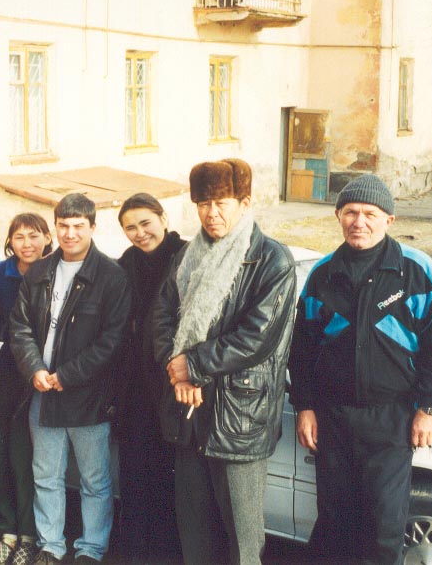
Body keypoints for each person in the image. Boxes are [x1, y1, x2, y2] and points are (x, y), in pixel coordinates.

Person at [288, 175, 432, 565]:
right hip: (333, 421)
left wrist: (428, 407)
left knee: (383, 529)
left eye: (370, 213)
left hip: (391, 420)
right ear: (337, 216)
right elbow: (301, 352)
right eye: (350, 212)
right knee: (334, 525)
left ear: (389, 220)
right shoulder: (322, 275)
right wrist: (305, 407)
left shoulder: (416, 271)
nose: (359, 221)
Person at [151, 159, 296, 565]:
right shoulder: (186, 255)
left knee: (243, 536)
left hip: (239, 417)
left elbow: (257, 337)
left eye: (221, 202)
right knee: (193, 527)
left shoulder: (272, 260)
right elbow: (160, 317)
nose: (211, 213)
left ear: (244, 202)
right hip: (190, 411)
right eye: (202, 203)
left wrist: (191, 365)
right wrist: (176, 369)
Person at [10, 193, 131, 565]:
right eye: (63, 225)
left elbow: (113, 339)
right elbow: (20, 328)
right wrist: (35, 370)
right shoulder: (40, 271)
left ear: (93, 227)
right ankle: (51, 545)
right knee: (46, 474)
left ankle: (91, 549)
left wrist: (69, 375)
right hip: (43, 392)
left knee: (95, 479)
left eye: (79, 225)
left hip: (88, 395)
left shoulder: (111, 275)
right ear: (55, 226)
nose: (70, 233)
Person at [114, 193, 185, 565]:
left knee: (170, 486)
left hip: (175, 391)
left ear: (163, 217)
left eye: (146, 223)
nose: (140, 233)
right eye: (130, 227)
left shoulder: (187, 256)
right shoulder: (125, 265)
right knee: (135, 485)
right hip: (135, 394)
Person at [0, 213, 53, 565]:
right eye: (19, 236)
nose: (27, 243)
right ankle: (6, 531)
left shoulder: (56, 271)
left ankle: (29, 533)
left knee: (25, 455)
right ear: (10, 240)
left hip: (40, 372)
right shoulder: (0, 274)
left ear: (47, 238)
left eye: (34, 235)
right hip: (3, 370)